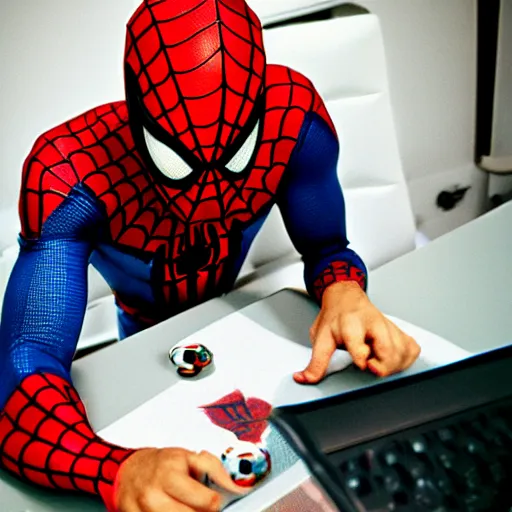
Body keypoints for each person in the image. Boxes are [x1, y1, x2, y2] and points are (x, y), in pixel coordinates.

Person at [0, 1, 420, 511]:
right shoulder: (70, 173)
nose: (209, 189)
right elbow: (27, 362)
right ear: (138, 114)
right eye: (177, 161)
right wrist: (115, 468)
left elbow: (329, 248)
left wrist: (343, 289)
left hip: (245, 340)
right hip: (141, 350)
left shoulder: (293, 118)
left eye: (236, 157)